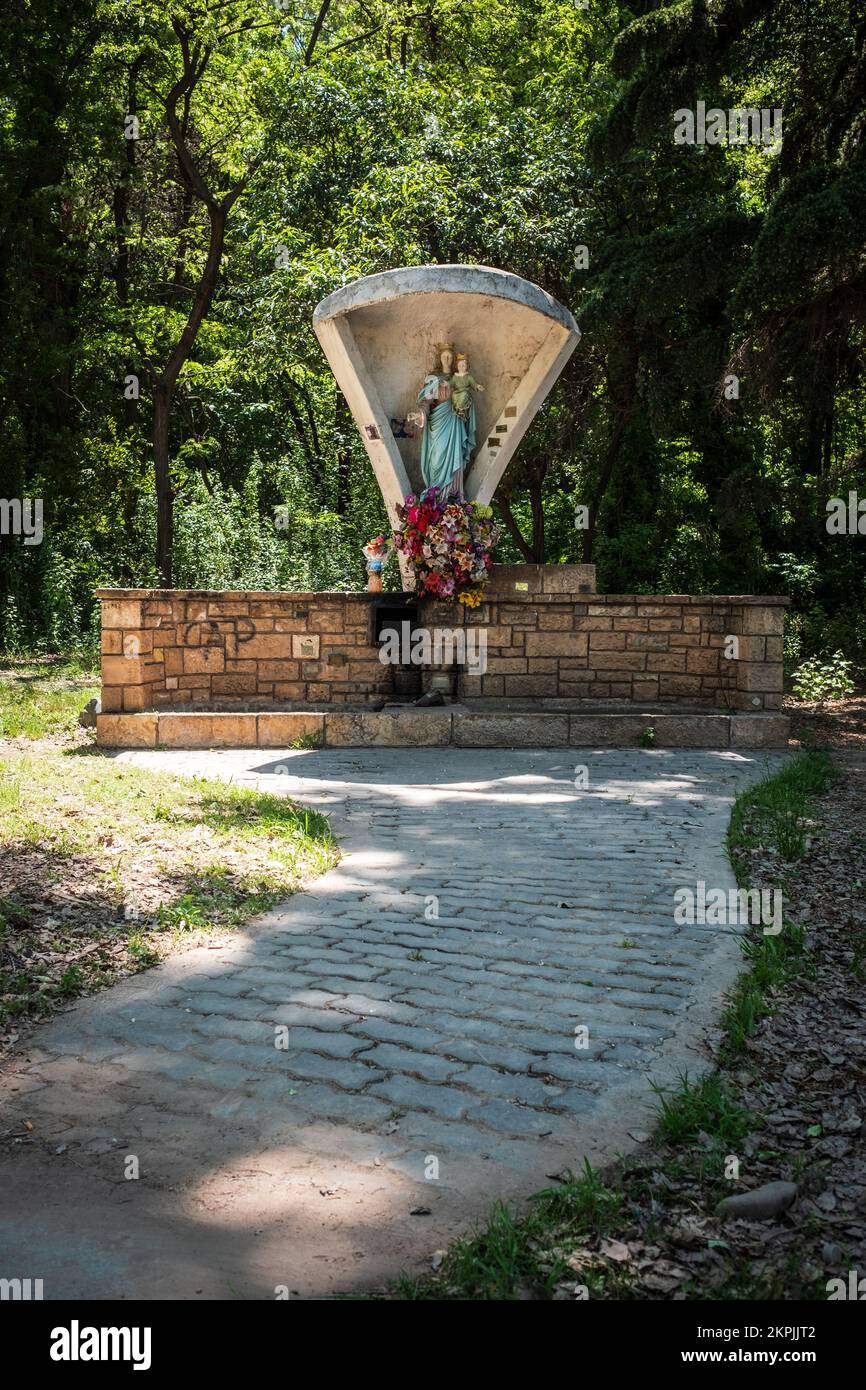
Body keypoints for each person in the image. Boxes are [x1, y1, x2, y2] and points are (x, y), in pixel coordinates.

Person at [407, 341, 477, 494]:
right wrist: (419, 415)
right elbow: (426, 402)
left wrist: (466, 403)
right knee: (437, 457)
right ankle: (435, 495)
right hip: (438, 423)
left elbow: (467, 399)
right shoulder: (434, 379)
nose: (447, 360)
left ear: (454, 360)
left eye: (450, 357)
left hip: (455, 422)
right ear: (440, 358)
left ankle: (453, 495)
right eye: (444, 356)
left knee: (455, 456)